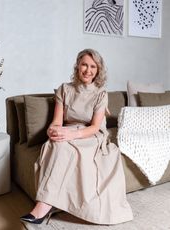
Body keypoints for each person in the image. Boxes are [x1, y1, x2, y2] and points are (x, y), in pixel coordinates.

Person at [20, 49, 133, 225]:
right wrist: (53, 130)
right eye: (85, 65)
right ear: (78, 66)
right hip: (70, 129)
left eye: (93, 66)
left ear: (98, 70)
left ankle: (42, 208)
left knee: (65, 147)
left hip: (91, 134)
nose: (88, 70)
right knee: (56, 144)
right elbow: (57, 121)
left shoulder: (101, 93)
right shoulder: (65, 89)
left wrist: (72, 134)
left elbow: (95, 126)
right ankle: (45, 204)